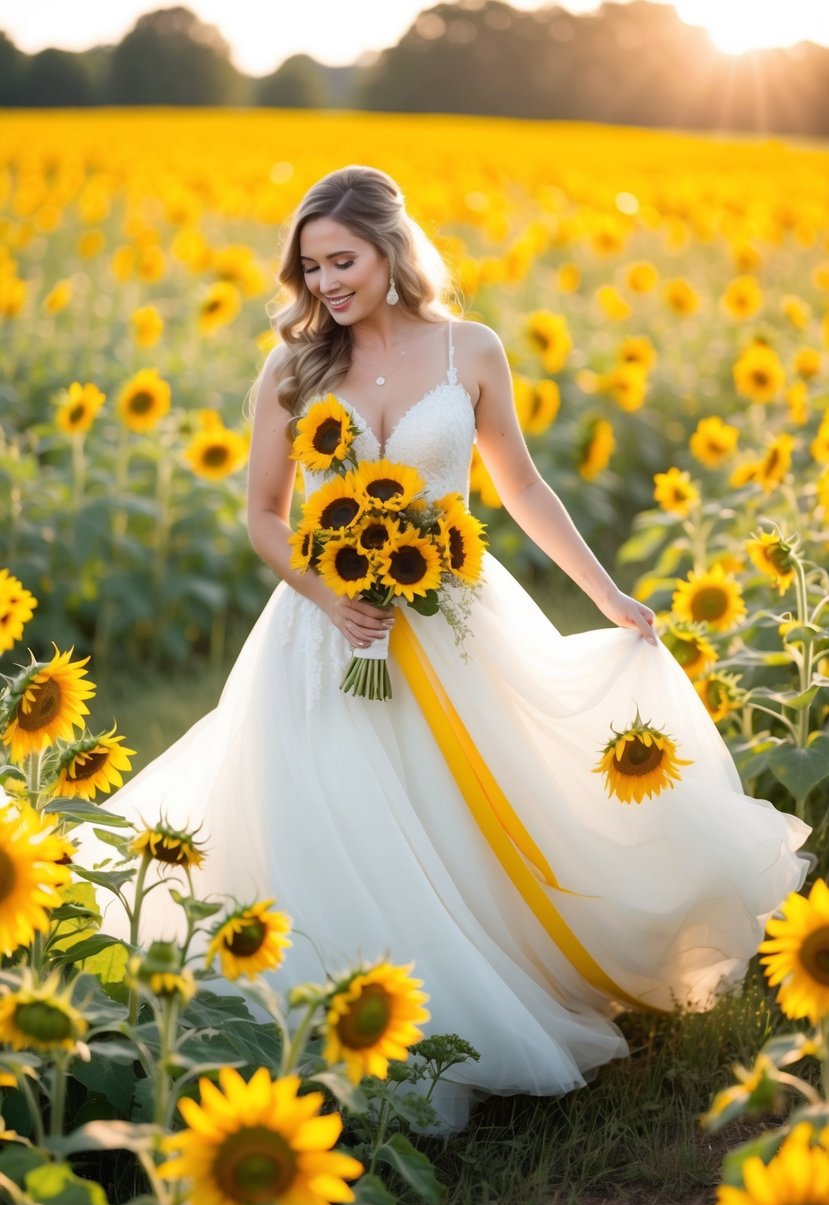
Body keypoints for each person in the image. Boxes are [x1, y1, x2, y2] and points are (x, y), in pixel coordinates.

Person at [98, 165, 809, 1131]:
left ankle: (500, 984)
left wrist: (605, 594)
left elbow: (520, 488)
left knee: (481, 810)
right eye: (310, 269)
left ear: (391, 251)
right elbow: (264, 515)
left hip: (458, 619)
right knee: (338, 821)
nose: (326, 284)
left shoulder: (468, 350)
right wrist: (327, 594)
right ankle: (355, 1018)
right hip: (326, 629)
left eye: (341, 260)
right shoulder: (291, 366)